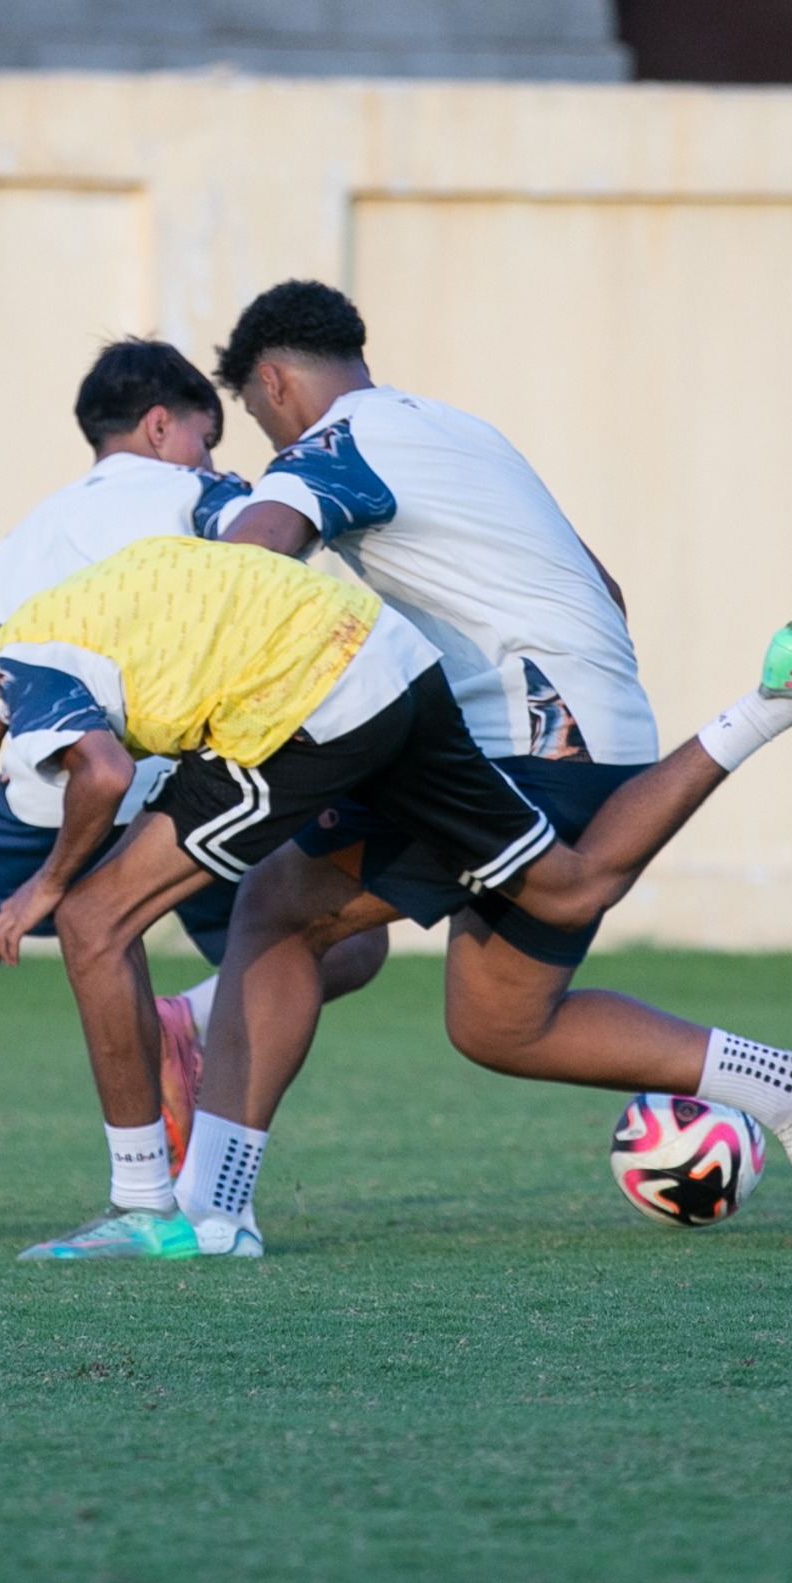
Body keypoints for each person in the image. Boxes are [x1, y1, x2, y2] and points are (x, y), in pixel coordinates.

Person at [0, 535, 792, 1261]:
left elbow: (94, 772)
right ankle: (777, 705)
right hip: (390, 664)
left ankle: (155, 1209)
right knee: (567, 879)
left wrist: (45, 879)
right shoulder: (57, 614)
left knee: (96, 918)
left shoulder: (22, 669)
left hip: (304, 701)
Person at [170, 281, 728, 1252]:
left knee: (274, 908)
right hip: (609, 734)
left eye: (262, 422)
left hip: (532, 740)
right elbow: (606, 585)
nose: (270, 443)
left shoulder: (331, 446)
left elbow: (259, 560)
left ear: (273, 381)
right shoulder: (470, 434)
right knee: (499, 1019)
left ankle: (208, 1210)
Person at [0, 340, 386, 1240]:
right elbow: (269, 574)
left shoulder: (18, 542)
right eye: (208, 439)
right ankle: (188, 1039)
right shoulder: (204, 496)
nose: (215, 459)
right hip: (188, 769)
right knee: (327, 942)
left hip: (50, 785)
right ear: (162, 425)